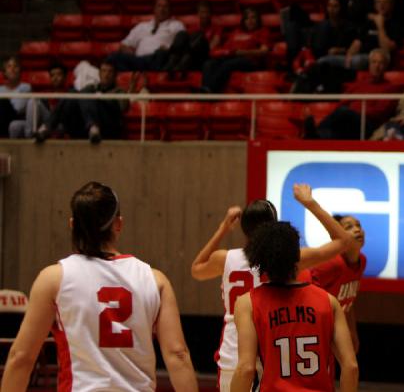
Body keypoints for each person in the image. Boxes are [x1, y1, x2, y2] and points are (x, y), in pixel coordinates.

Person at [0, 182, 197, 392]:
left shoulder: (53, 279)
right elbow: (178, 354)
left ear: (72, 224)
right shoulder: (155, 279)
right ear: (118, 224)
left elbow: (21, 357)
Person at [190, 185, 354, 392]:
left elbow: (196, 269)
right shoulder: (291, 258)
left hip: (232, 350)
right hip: (270, 347)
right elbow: (344, 241)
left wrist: (222, 228)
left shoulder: (224, 258)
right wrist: (309, 203)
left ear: (244, 227)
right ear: (274, 225)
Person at [231, 221, 358, 392]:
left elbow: (246, 369)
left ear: (259, 259)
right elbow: (351, 367)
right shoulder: (329, 301)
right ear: (297, 256)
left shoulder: (247, 303)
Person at [303, 48, 401, 139]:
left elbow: (380, 112)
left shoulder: (391, 88)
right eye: (374, 62)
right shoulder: (359, 84)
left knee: (344, 112)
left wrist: (354, 112)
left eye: (381, 63)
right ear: (369, 64)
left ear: (386, 66)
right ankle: (315, 135)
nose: (377, 66)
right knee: (338, 130)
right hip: (349, 121)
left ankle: (314, 131)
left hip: (368, 125)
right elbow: (343, 102)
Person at [35, 61, 135, 144]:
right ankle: (46, 127)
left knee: (86, 94)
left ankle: (93, 126)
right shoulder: (92, 88)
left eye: (110, 72)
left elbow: (123, 107)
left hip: (107, 127)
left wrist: (100, 98)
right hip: (85, 129)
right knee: (72, 93)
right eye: (104, 71)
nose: (106, 75)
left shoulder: (119, 91)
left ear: (114, 75)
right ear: (99, 74)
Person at [311, 214, 366, 352]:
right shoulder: (331, 264)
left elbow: (348, 304)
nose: (357, 230)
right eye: (349, 227)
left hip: (334, 328)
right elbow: (304, 294)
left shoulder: (362, 261)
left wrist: (352, 332)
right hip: (314, 328)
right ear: (337, 236)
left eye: (358, 225)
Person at [201, 7, 270, 93]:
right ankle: (204, 90)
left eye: (253, 17)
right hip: (232, 57)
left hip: (250, 61)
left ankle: (210, 90)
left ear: (258, 20)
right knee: (209, 63)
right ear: (244, 21)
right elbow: (226, 48)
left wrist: (243, 52)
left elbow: (264, 51)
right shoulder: (236, 32)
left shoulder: (262, 31)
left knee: (228, 64)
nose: (250, 20)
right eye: (247, 18)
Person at [107, 0, 185, 72]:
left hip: (159, 58)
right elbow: (124, 45)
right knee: (113, 57)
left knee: (161, 54)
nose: (162, 9)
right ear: (154, 9)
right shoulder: (142, 26)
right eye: (159, 6)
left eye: (165, 6)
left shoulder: (176, 25)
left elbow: (181, 44)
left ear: (170, 10)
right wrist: (132, 55)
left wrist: (169, 49)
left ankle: (144, 73)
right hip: (139, 60)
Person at [162, 1, 221, 76]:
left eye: (207, 12)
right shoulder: (192, 28)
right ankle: (172, 63)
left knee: (199, 36)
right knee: (181, 34)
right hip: (190, 57)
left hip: (203, 56)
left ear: (210, 14)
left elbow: (213, 45)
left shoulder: (216, 28)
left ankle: (180, 64)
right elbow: (183, 44)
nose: (205, 15)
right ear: (198, 14)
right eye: (202, 12)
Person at [10, 61, 67, 139]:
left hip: (57, 124)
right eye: (52, 75)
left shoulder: (69, 93)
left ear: (65, 76)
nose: (55, 78)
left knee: (33, 101)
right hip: (42, 123)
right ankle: (14, 150)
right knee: (14, 125)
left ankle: (29, 137)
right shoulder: (46, 93)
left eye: (59, 74)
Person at [0, 56, 31, 137]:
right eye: (9, 66)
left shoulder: (25, 87)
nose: (12, 69)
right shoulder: (0, 89)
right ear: (5, 72)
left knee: (3, 102)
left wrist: (6, 102)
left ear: (20, 71)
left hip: (17, 118)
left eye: (15, 66)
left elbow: (19, 108)